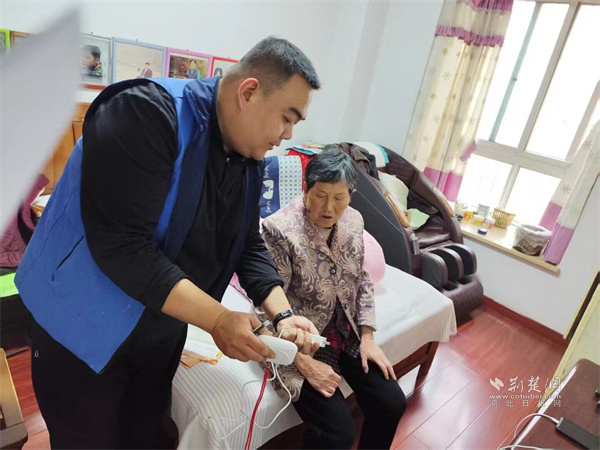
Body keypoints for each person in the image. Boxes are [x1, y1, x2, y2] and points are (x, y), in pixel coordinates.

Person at [16, 36, 321, 448]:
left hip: (159, 327)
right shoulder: (143, 112)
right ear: (248, 92)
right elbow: (123, 247)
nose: (286, 135)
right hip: (81, 322)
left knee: (144, 434)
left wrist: (283, 315)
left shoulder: (248, 158)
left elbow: (247, 243)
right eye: (286, 118)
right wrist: (218, 319)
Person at [258, 147, 407, 449]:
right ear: (306, 190)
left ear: (351, 195)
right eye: (321, 195)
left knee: (392, 402)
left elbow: (362, 279)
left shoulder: (354, 220)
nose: (329, 207)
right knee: (338, 434)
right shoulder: (279, 229)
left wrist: (368, 337)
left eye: (339, 197)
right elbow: (264, 312)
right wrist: (304, 363)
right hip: (300, 340)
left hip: (345, 332)